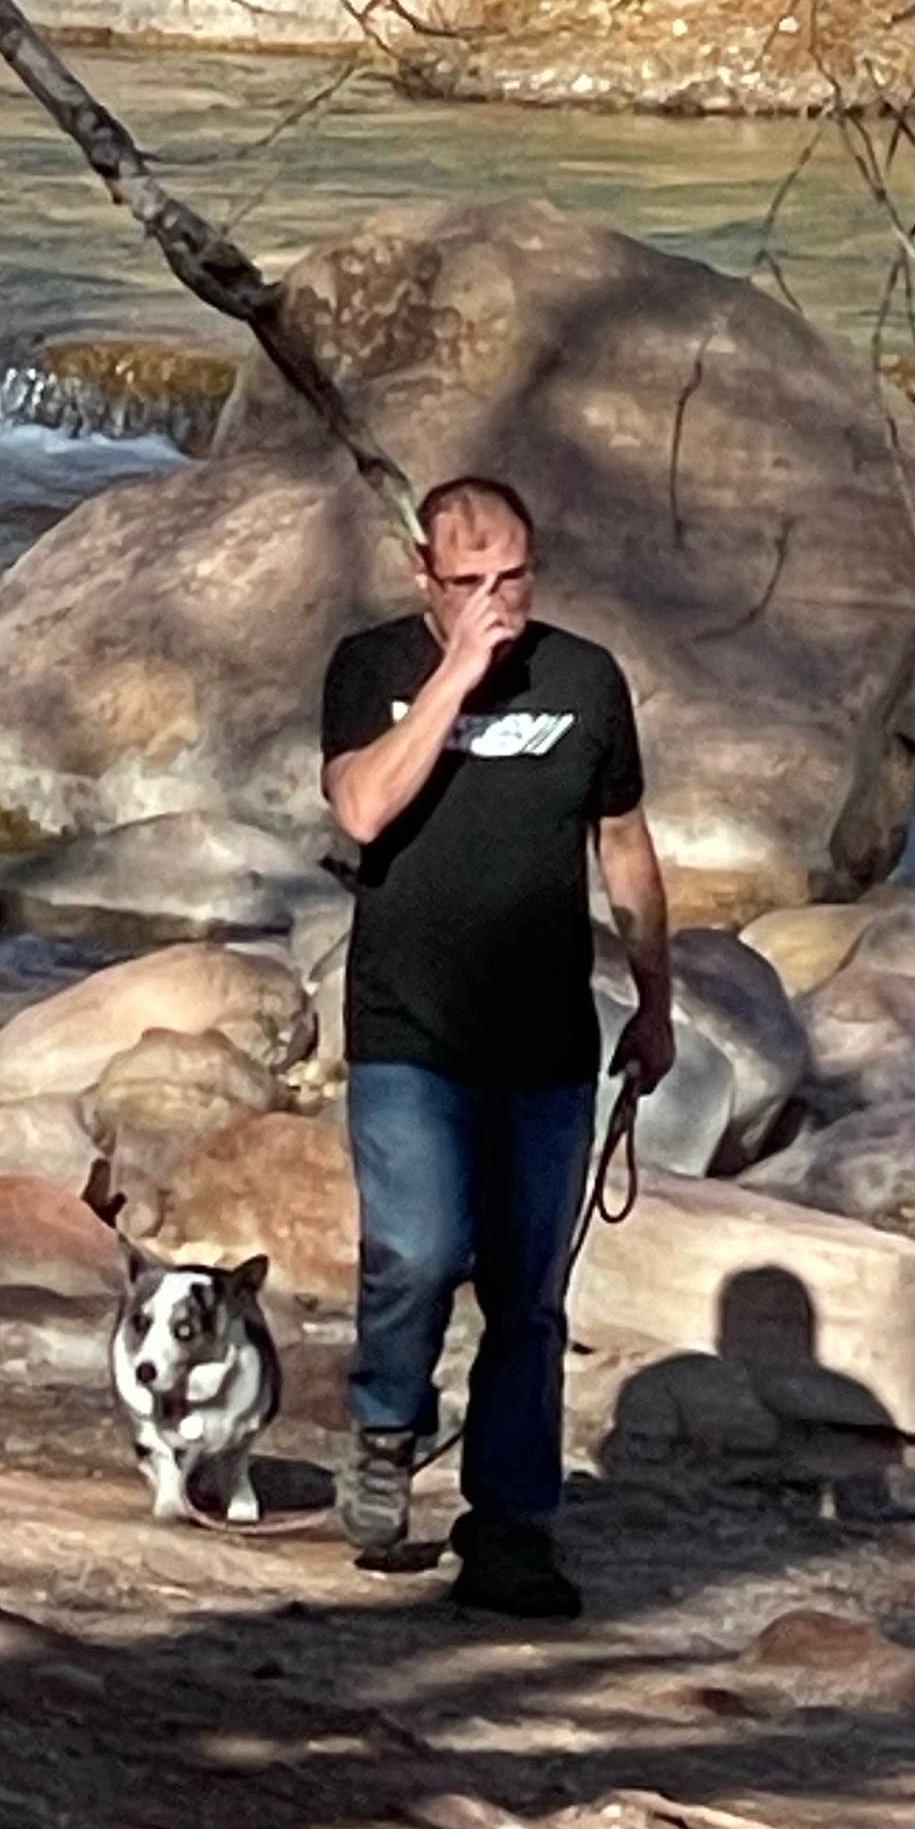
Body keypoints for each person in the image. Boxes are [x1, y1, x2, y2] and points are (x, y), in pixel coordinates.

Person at [320, 475, 675, 1621]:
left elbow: (623, 846)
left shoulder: (585, 679)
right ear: (422, 577)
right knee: (418, 1253)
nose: (495, 600)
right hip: (407, 1033)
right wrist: (455, 676)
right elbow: (363, 811)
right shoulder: (371, 670)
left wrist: (657, 1001)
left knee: (529, 1293)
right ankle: (386, 1425)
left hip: (547, 1044)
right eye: (468, 582)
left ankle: (511, 1525)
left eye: (512, 577)